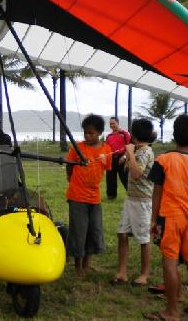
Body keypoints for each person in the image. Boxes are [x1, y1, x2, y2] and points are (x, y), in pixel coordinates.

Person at [144, 115, 188, 320]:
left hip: (169, 218)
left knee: (170, 262)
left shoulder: (163, 160)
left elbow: (156, 193)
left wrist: (154, 220)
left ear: (174, 135)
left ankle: (172, 311)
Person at [65, 114, 112, 277]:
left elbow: (105, 168)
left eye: (91, 133)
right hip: (77, 195)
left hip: (94, 197)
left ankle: (87, 264)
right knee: (79, 230)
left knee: (94, 229)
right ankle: (77, 266)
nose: (87, 136)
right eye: (85, 132)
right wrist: (72, 181)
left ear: (99, 132)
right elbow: (69, 167)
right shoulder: (77, 148)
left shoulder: (106, 150)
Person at [111, 119, 155, 286]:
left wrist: (129, 154)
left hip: (143, 202)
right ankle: (122, 272)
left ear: (134, 136)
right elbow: (132, 165)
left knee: (143, 239)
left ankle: (144, 274)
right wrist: (126, 157)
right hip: (131, 200)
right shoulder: (138, 150)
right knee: (122, 234)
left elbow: (137, 173)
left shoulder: (145, 152)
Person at [105, 116, 131, 199]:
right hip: (111, 158)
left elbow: (130, 146)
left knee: (124, 177)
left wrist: (124, 157)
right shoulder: (109, 136)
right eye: (110, 124)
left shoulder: (124, 133)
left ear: (117, 123)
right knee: (110, 177)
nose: (112, 125)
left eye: (113, 123)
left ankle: (131, 194)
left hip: (122, 157)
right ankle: (111, 196)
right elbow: (106, 148)